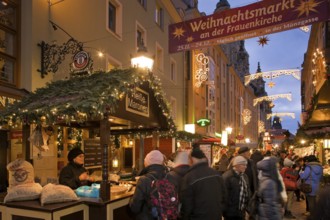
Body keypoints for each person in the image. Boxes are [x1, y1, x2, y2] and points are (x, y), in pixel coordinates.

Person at [180, 146, 225, 220]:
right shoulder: (216, 174)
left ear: (192, 159)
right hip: (216, 216)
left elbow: (186, 204)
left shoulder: (189, 177)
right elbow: (224, 197)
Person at [129, 150, 168, 220]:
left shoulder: (144, 180)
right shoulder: (169, 176)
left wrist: (131, 199)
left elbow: (135, 208)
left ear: (147, 163)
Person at [222, 156, 250, 220]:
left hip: (241, 212)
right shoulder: (227, 177)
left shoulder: (244, 176)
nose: (245, 167)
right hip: (230, 213)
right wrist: (225, 212)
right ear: (236, 165)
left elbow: (248, 193)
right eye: (243, 165)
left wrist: (247, 210)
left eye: (246, 165)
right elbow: (223, 196)